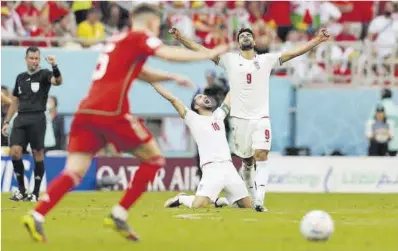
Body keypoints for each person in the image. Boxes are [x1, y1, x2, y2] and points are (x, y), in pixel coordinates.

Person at [21, 4, 228, 243]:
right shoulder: (139, 36)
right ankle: (119, 213)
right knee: (154, 159)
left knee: (74, 171)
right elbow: (168, 54)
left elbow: (139, 72)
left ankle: (36, 214)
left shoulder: (118, 40)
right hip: (111, 112)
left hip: (86, 111)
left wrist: (171, 77)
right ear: (151, 23)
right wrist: (207, 54)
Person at [169, 26, 330, 212]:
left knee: (261, 154)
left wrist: (317, 40)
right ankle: (247, 197)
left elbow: (293, 52)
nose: (245, 37)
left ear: (254, 42)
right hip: (239, 120)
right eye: (241, 35)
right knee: (247, 162)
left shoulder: (266, 60)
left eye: (248, 35)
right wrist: (181, 38)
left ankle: (259, 200)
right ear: (238, 44)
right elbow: (203, 51)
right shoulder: (229, 60)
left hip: (261, 117)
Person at [151, 83, 251, 209]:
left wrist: (240, 78)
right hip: (211, 169)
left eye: (204, 96)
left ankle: (217, 201)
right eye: (199, 97)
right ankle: (182, 198)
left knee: (248, 206)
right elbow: (172, 99)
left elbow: (229, 97)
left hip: (229, 167)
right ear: (196, 106)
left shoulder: (218, 115)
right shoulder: (192, 118)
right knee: (198, 205)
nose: (204, 97)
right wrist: (153, 82)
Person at [1, 46, 63, 202]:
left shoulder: (44, 74)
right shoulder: (20, 78)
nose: (34, 61)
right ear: (26, 59)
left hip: (38, 118)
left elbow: (58, 82)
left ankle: (35, 193)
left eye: (37, 58)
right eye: (31, 58)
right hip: (21, 118)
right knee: (14, 152)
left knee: (38, 153)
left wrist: (54, 65)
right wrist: (7, 121)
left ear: (39, 59)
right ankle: (21, 190)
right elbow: (15, 101)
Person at [370, 89, 398, 156]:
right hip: (395, 142)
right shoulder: (396, 107)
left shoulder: (379, 107)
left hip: (382, 143)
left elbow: (371, 122)